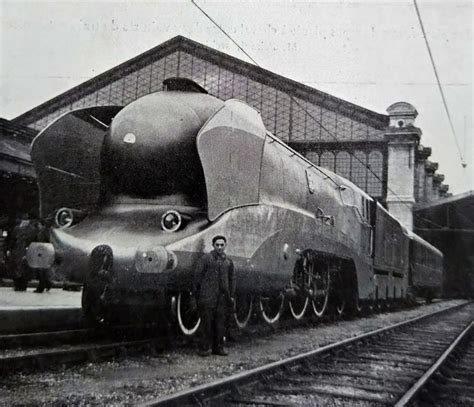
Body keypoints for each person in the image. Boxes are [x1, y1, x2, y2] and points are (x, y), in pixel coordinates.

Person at [193, 235, 235, 356]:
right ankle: (204, 348)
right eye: (217, 245)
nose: (220, 247)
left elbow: (232, 279)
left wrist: (231, 295)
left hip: (222, 298)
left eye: (222, 245)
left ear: (225, 245)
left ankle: (218, 348)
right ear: (213, 245)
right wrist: (195, 295)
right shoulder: (206, 259)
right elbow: (197, 277)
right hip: (207, 297)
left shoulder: (228, 261)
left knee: (220, 324)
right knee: (206, 324)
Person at [34, 221, 52, 293]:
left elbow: (48, 242)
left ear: (42, 225)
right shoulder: (40, 232)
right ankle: (47, 283)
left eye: (39, 225)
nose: (38, 226)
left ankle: (41, 287)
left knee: (42, 271)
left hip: (44, 253)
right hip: (40, 253)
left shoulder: (45, 232)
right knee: (42, 271)